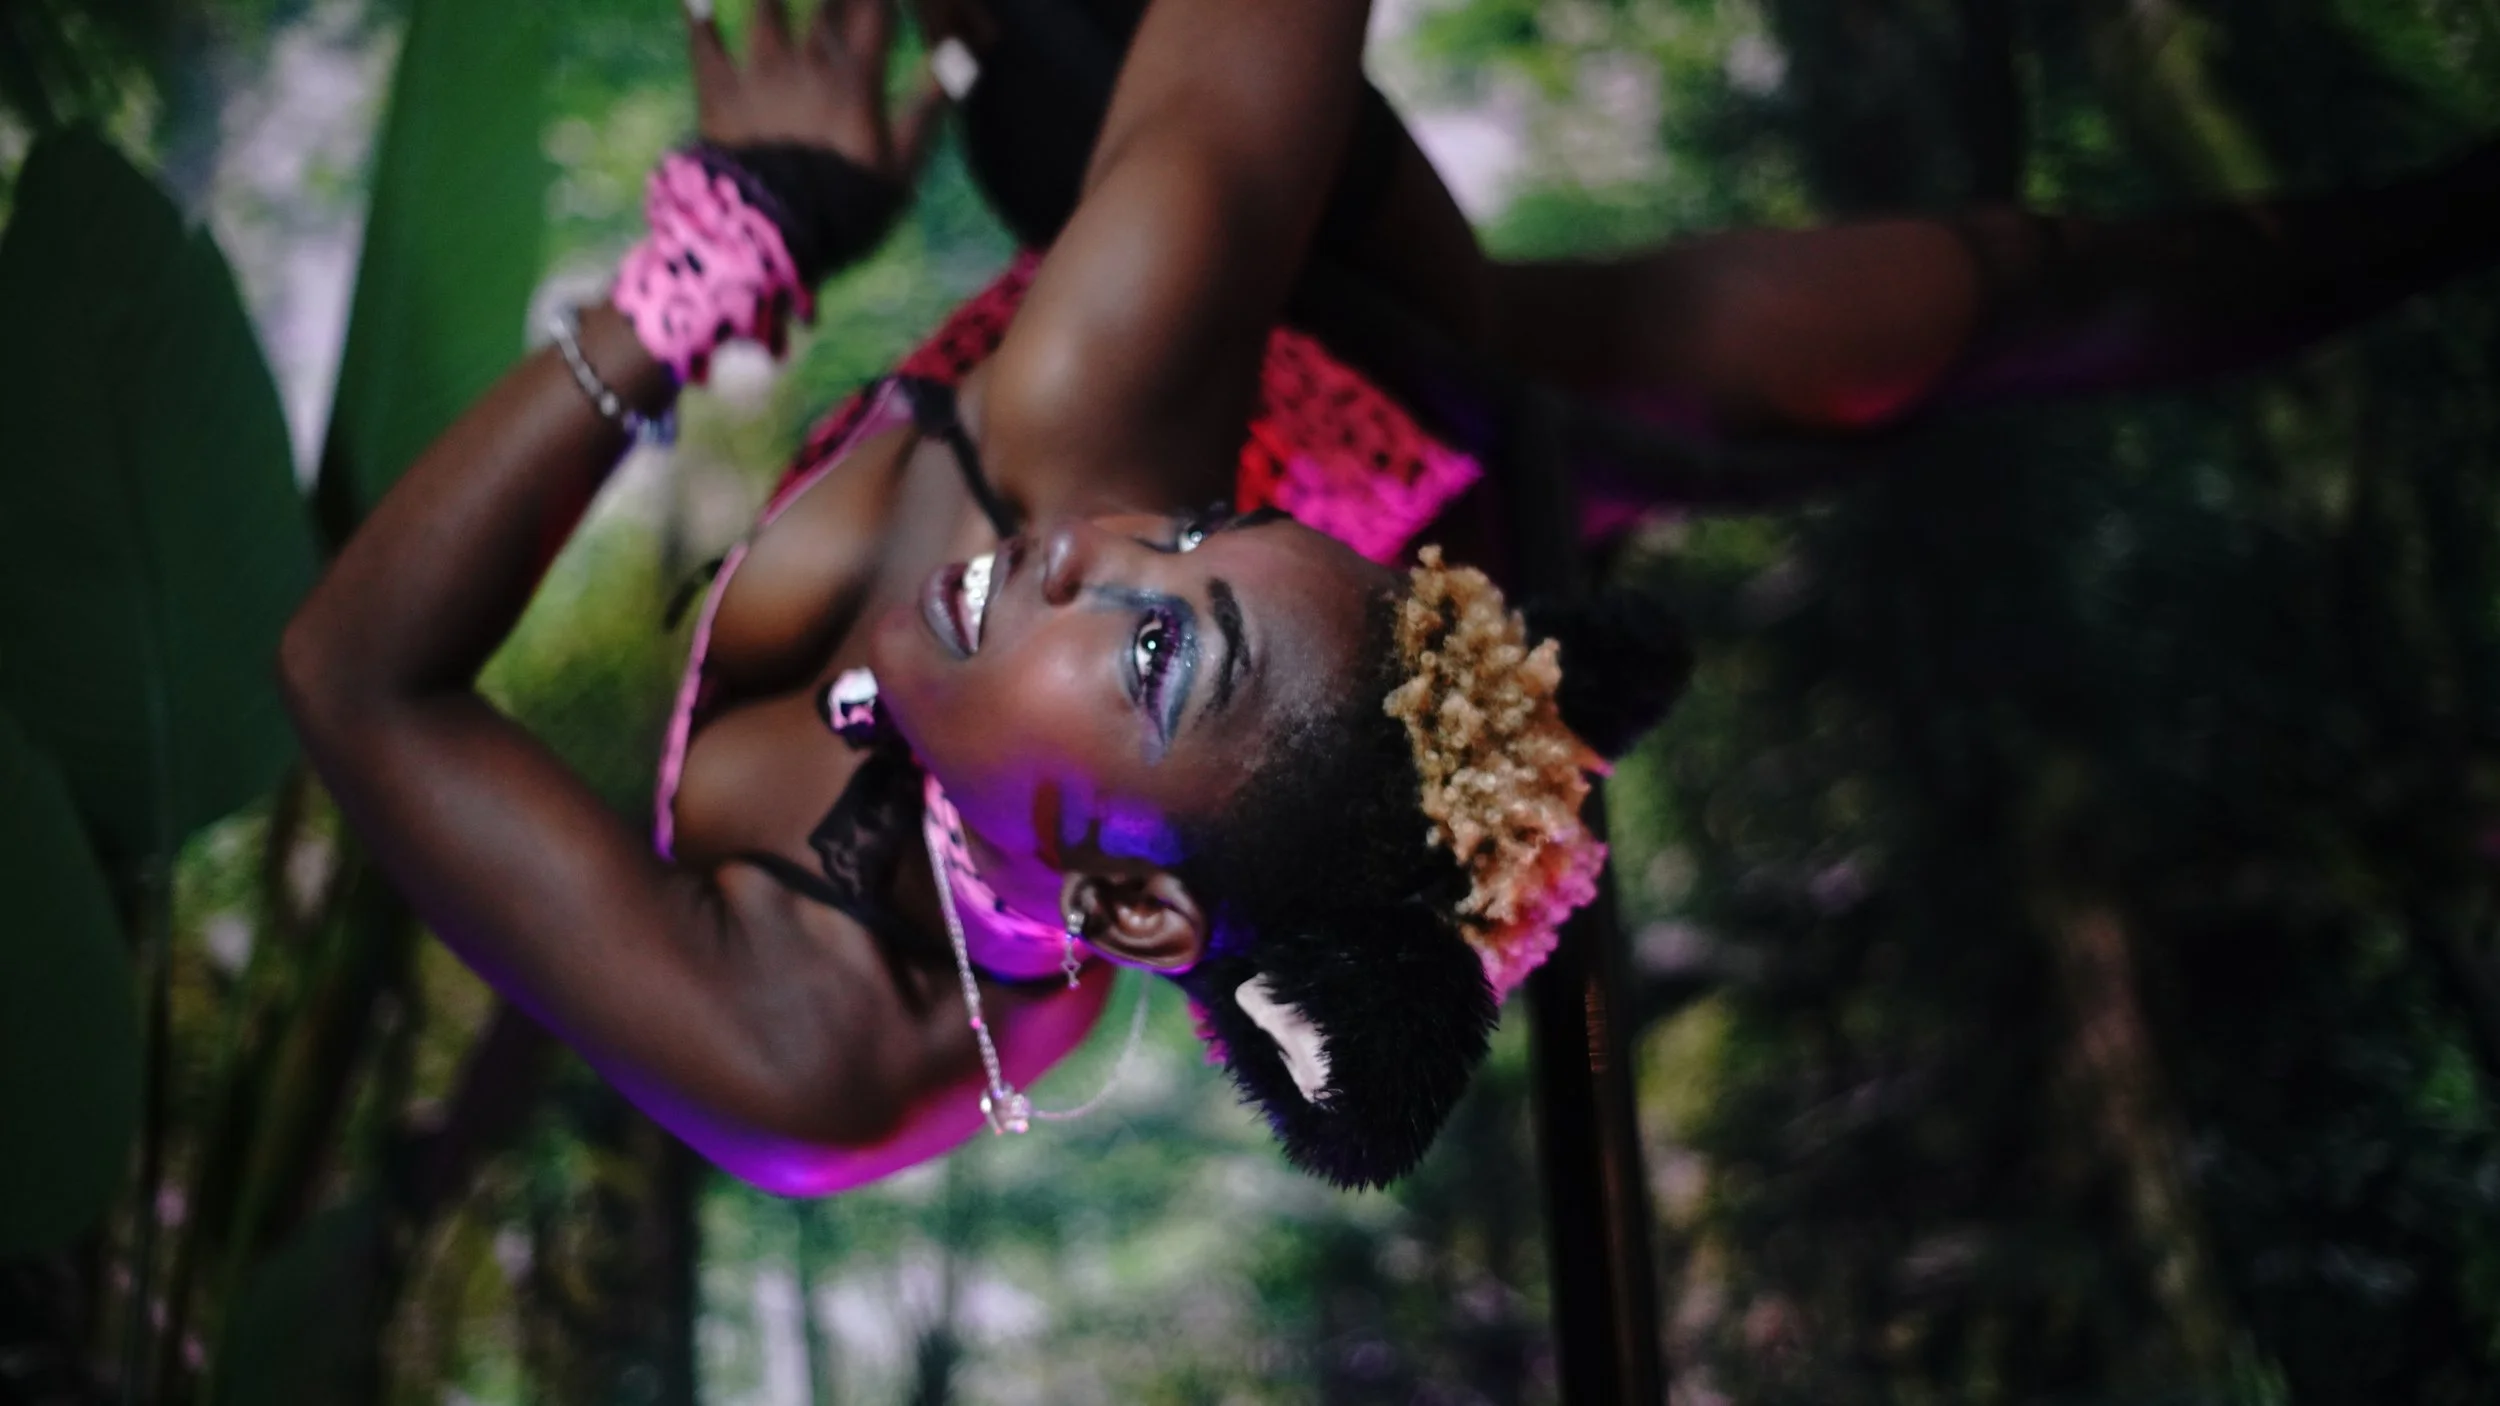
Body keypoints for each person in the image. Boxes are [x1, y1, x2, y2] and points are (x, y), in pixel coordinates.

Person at [278, 0, 2500, 1194]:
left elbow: (358, 679)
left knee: (1919, 310)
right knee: (1836, 333)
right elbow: (1239, 104)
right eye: (1166, 552)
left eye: (1151, 612)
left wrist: (717, 266)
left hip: (1380, 467)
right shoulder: (1092, 465)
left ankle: (2428, 222)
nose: (1098, 544)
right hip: (1359, 446)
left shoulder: (808, 1044)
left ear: (1134, 917)